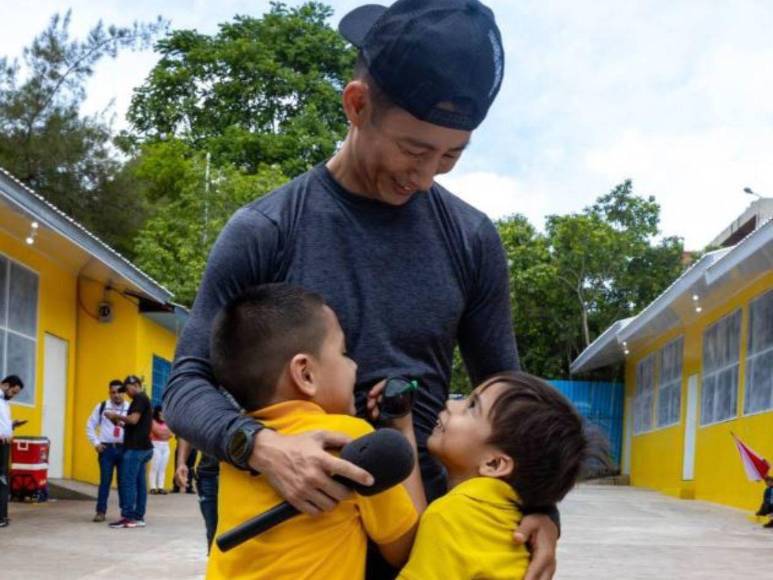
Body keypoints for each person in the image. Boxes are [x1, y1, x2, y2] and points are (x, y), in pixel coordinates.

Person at [164, 1, 559, 577]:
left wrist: (541, 506)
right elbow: (185, 383)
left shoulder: (471, 239)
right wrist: (261, 446)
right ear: (357, 105)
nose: (425, 177)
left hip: (417, 519)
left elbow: (510, 394)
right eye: (415, 149)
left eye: (451, 154)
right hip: (286, 520)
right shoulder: (267, 230)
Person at [206, 284, 425, 579]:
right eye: (344, 353)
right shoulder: (347, 437)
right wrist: (402, 430)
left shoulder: (240, 452)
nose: (355, 365)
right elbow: (407, 549)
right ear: (306, 374)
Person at [393, 372, 591, 579]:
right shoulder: (506, 523)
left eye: (471, 407)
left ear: (494, 463)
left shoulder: (450, 517)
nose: (451, 403)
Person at [104, 375, 153, 528]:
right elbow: (133, 425)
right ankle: (138, 517)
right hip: (144, 448)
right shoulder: (142, 399)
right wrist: (116, 422)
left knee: (127, 482)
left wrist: (115, 415)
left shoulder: (139, 398)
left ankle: (127, 517)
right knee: (139, 484)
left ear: (136, 385)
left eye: (127, 389)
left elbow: (133, 420)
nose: (127, 393)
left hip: (136, 449)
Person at [85, 379, 130, 522]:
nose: (116, 395)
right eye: (113, 392)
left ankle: (125, 513)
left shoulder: (130, 407)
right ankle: (100, 512)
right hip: (106, 449)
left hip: (124, 449)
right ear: (109, 393)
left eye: (119, 392)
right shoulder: (102, 406)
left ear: (124, 393)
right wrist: (96, 443)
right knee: (105, 481)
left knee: (123, 482)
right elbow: (90, 426)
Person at [175, 439, 220, 552]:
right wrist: (181, 463)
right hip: (209, 474)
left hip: (243, 476)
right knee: (213, 531)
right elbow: (187, 431)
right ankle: (214, 564)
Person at [0, 375, 26, 528]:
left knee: (3, 480)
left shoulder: (5, 403)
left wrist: (13, 425)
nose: (13, 395)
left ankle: (2, 514)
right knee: (1, 481)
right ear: (5, 385)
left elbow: (2, 424)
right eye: (13, 392)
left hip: (5, 445)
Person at [149, 406, 172, 495]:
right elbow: (158, 433)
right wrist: (165, 434)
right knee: (155, 466)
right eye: (161, 411)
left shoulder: (168, 422)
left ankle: (161, 487)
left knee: (163, 467)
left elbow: (170, 434)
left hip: (165, 445)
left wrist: (164, 434)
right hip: (155, 445)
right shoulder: (152, 422)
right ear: (158, 412)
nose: (163, 413)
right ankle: (153, 487)